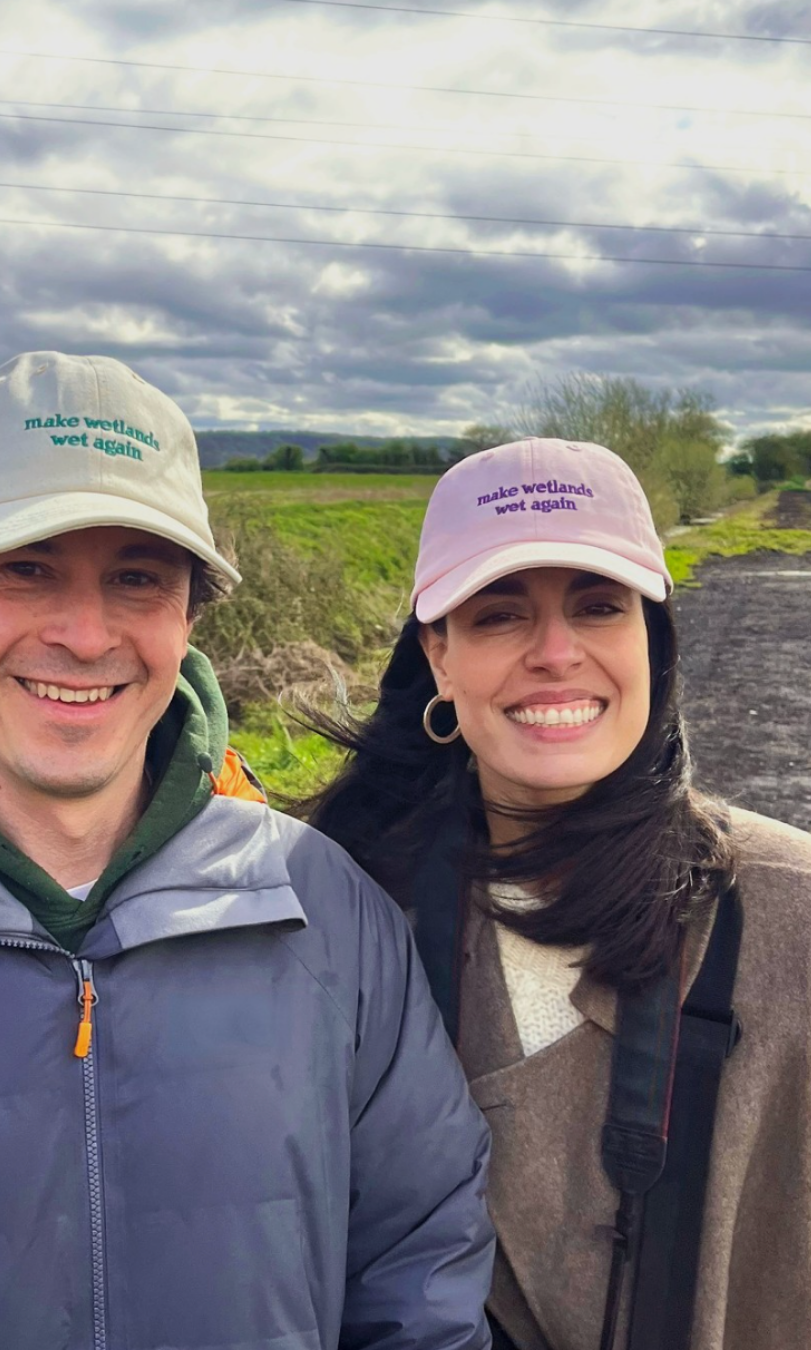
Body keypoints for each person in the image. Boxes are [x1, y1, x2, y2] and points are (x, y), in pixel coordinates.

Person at [0, 352, 495, 1350]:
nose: (85, 635)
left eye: (136, 578)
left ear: (188, 620)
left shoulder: (322, 912)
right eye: (25, 569)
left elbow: (420, 1273)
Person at [309, 437, 811, 1350]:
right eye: (500, 614)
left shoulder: (790, 914)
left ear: (652, 642)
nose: (555, 653)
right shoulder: (350, 917)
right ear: (439, 655)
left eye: (597, 607)